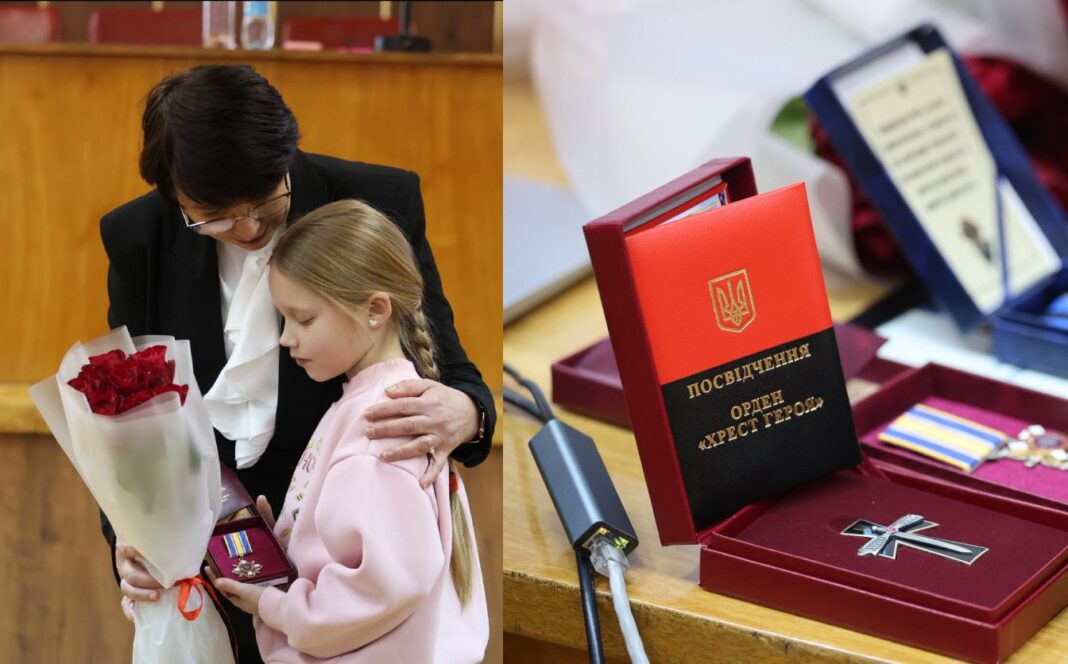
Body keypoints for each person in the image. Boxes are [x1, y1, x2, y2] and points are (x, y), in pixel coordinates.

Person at [101, 64, 495, 662]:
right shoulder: (139, 236)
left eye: (264, 200)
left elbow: (450, 367)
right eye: (215, 214)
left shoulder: (374, 201)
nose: (248, 227)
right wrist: (129, 537)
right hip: (207, 555)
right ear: (174, 194)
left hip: (338, 574)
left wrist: (466, 413)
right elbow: (133, 422)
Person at [210, 199, 488, 662]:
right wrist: (287, 538)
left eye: (304, 319)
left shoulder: (380, 427)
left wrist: (273, 605)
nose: (285, 338)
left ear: (375, 309)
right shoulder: (372, 406)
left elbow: (382, 585)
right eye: (283, 318)